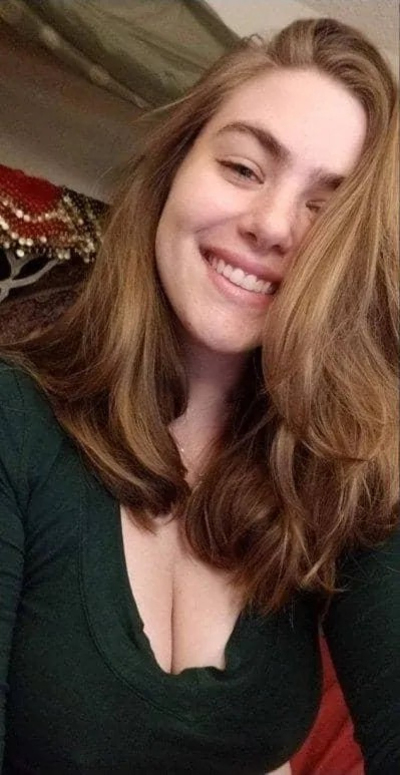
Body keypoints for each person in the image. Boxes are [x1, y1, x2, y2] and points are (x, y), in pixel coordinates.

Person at [0, 16, 398, 775]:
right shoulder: (13, 422)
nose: (272, 226)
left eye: (326, 210)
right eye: (244, 168)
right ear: (173, 171)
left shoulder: (341, 472)